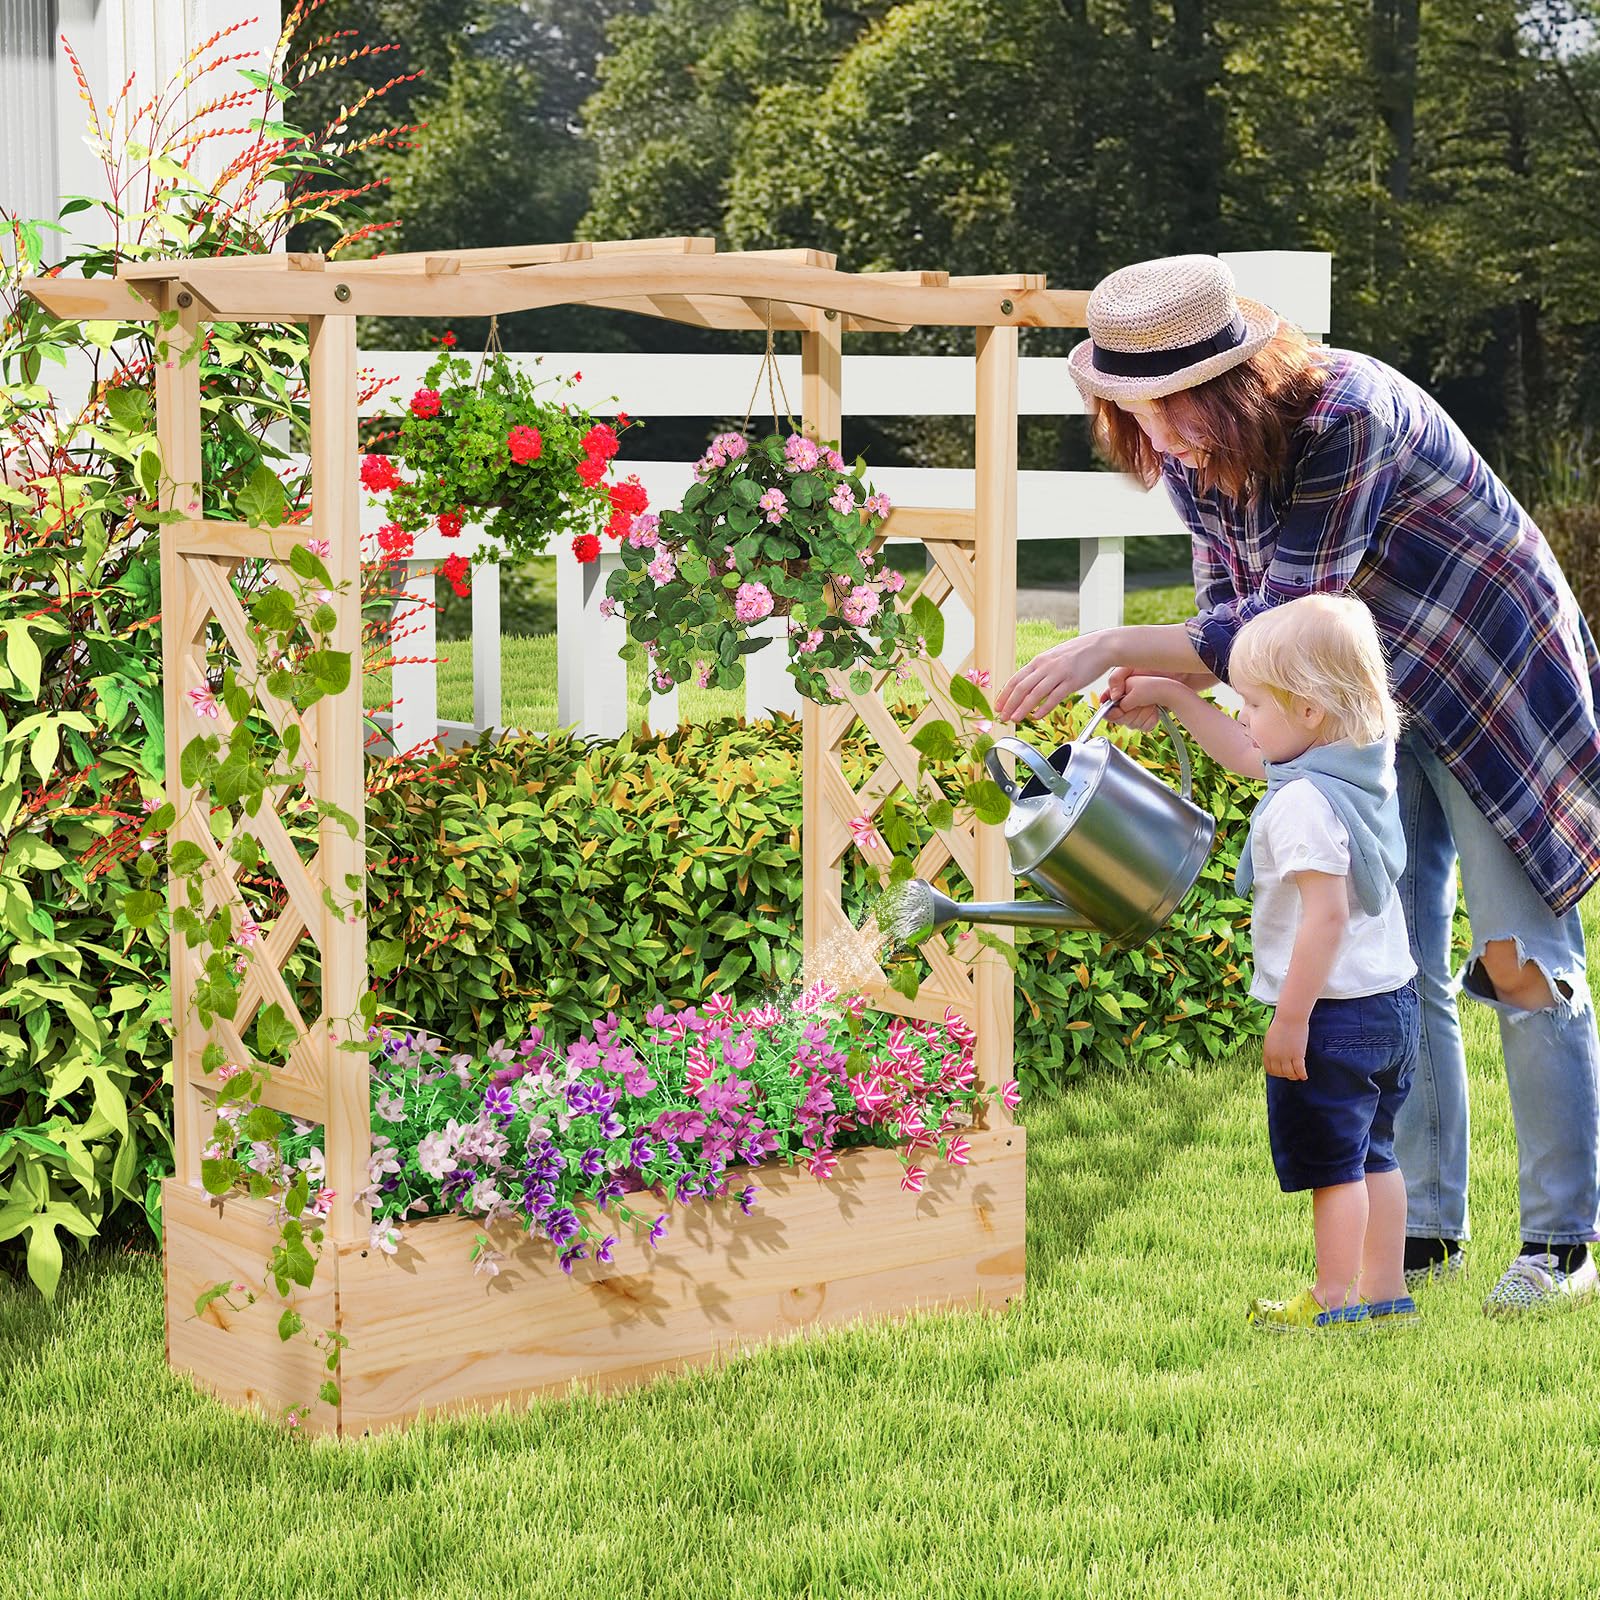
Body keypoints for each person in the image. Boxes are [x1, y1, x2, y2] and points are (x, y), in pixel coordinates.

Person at [996, 254, 1600, 1316]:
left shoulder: (1343, 416)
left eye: (1177, 404)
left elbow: (1287, 608)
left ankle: (1561, 1240)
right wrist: (1181, 688)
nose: (1165, 434)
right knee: (1383, 958)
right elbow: (1231, 614)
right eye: (1135, 410)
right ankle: (1420, 1226)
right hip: (1356, 705)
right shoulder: (1187, 455)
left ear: (1235, 377)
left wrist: (1113, 646)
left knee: (1519, 961)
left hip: (1483, 670)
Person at [1116, 595, 1419, 1327]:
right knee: (1377, 1153)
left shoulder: (1302, 805)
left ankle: (1333, 1297)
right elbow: (1253, 754)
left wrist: (1291, 1020)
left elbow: (1325, 918)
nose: (1242, 715)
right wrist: (1164, 691)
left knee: (1332, 1168)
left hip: (1330, 1012)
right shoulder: (1356, 765)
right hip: (1390, 1004)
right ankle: (1387, 1293)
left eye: (1252, 702)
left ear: (1309, 711)